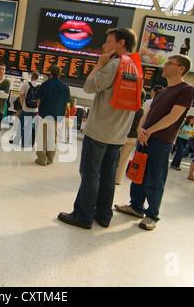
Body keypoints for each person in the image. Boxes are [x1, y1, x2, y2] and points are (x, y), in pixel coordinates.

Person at [57, 27, 139, 229]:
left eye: (109, 42)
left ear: (121, 44)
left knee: (90, 173)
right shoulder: (135, 68)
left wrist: (99, 64)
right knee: (108, 176)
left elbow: (89, 86)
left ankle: (83, 216)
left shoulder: (114, 65)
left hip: (100, 130)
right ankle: (103, 215)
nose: (104, 46)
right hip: (118, 134)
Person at [115, 54, 194, 231]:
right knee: (138, 173)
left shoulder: (186, 89)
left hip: (161, 140)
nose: (164, 66)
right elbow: (146, 113)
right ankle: (136, 206)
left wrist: (149, 131)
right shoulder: (162, 91)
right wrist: (140, 129)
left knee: (155, 178)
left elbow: (173, 117)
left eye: (169, 63)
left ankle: (152, 215)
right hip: (144, 138)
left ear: (181, 68)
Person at [35, 65, 70, 166]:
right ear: (59, 74)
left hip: (44, 114)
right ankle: (50, 159)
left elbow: (39, 100)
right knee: (52, 137)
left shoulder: (45, 85)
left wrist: (40, 111)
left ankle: (42, 159)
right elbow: (66, 103)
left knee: (42, 137)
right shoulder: (65, 87)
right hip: (57, 116)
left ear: (50, 73)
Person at [115, 90, 146, 185]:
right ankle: (118, 180)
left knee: (112, 157)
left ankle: (106, 176)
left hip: (121, 135)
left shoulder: (127, 107)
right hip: (133, 137)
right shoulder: (141, 110)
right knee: (124, 159)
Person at [12, 71, 39, 147]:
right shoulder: (39, 86)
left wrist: (22, 105)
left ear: (31, 77)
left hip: (25, 109)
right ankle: (25, 143)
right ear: (37, 78)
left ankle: (17, 140)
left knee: (21, 124)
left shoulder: (26, 84)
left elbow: (21, 96)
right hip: (34, 110)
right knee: (29, 126)